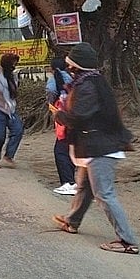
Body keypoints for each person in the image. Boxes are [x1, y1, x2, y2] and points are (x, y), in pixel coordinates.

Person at [51, 42, 138, 254]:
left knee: (104, 194)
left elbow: (79, 116)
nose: (68, 70)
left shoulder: (86, 86)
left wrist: (58, 114)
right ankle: (72, 221)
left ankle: (128, 242)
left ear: (76, 66)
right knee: (85, 187)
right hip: (96, 145)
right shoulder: (92, 81)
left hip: (100, 148)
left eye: (70, 66)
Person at [46, 57, 76, 195]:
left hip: (62, 119)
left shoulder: (52, 81)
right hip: (76, 117)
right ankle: (72, 181)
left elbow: (50, 97)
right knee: (70, 149)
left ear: (52, 68)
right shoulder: (72, 78)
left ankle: (68, 182)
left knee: (60, 151)